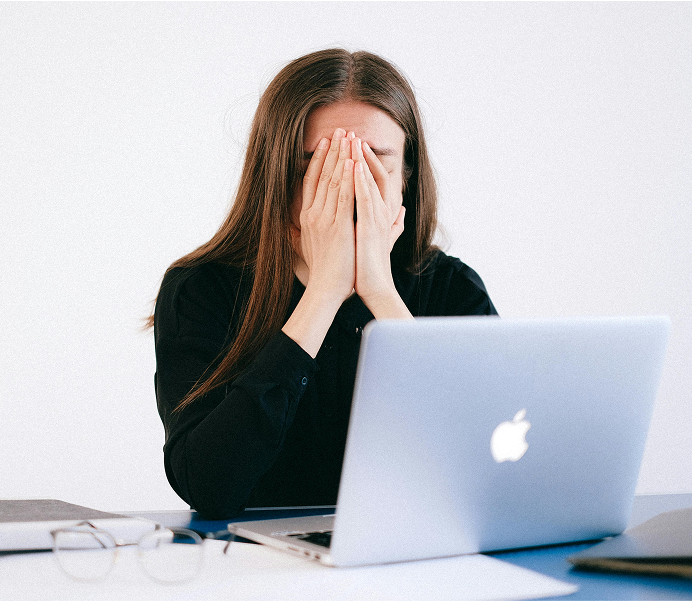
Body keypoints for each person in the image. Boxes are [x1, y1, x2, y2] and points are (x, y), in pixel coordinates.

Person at [151, 49, 497, 519]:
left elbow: (486, 469)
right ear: (275, 177)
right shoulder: (201, 290)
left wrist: (379, 292)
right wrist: (324, 293)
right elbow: (209, 486)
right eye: (316, 168)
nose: (349, 189)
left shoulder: (451, 288)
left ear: (407, 178)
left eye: (374, 165)